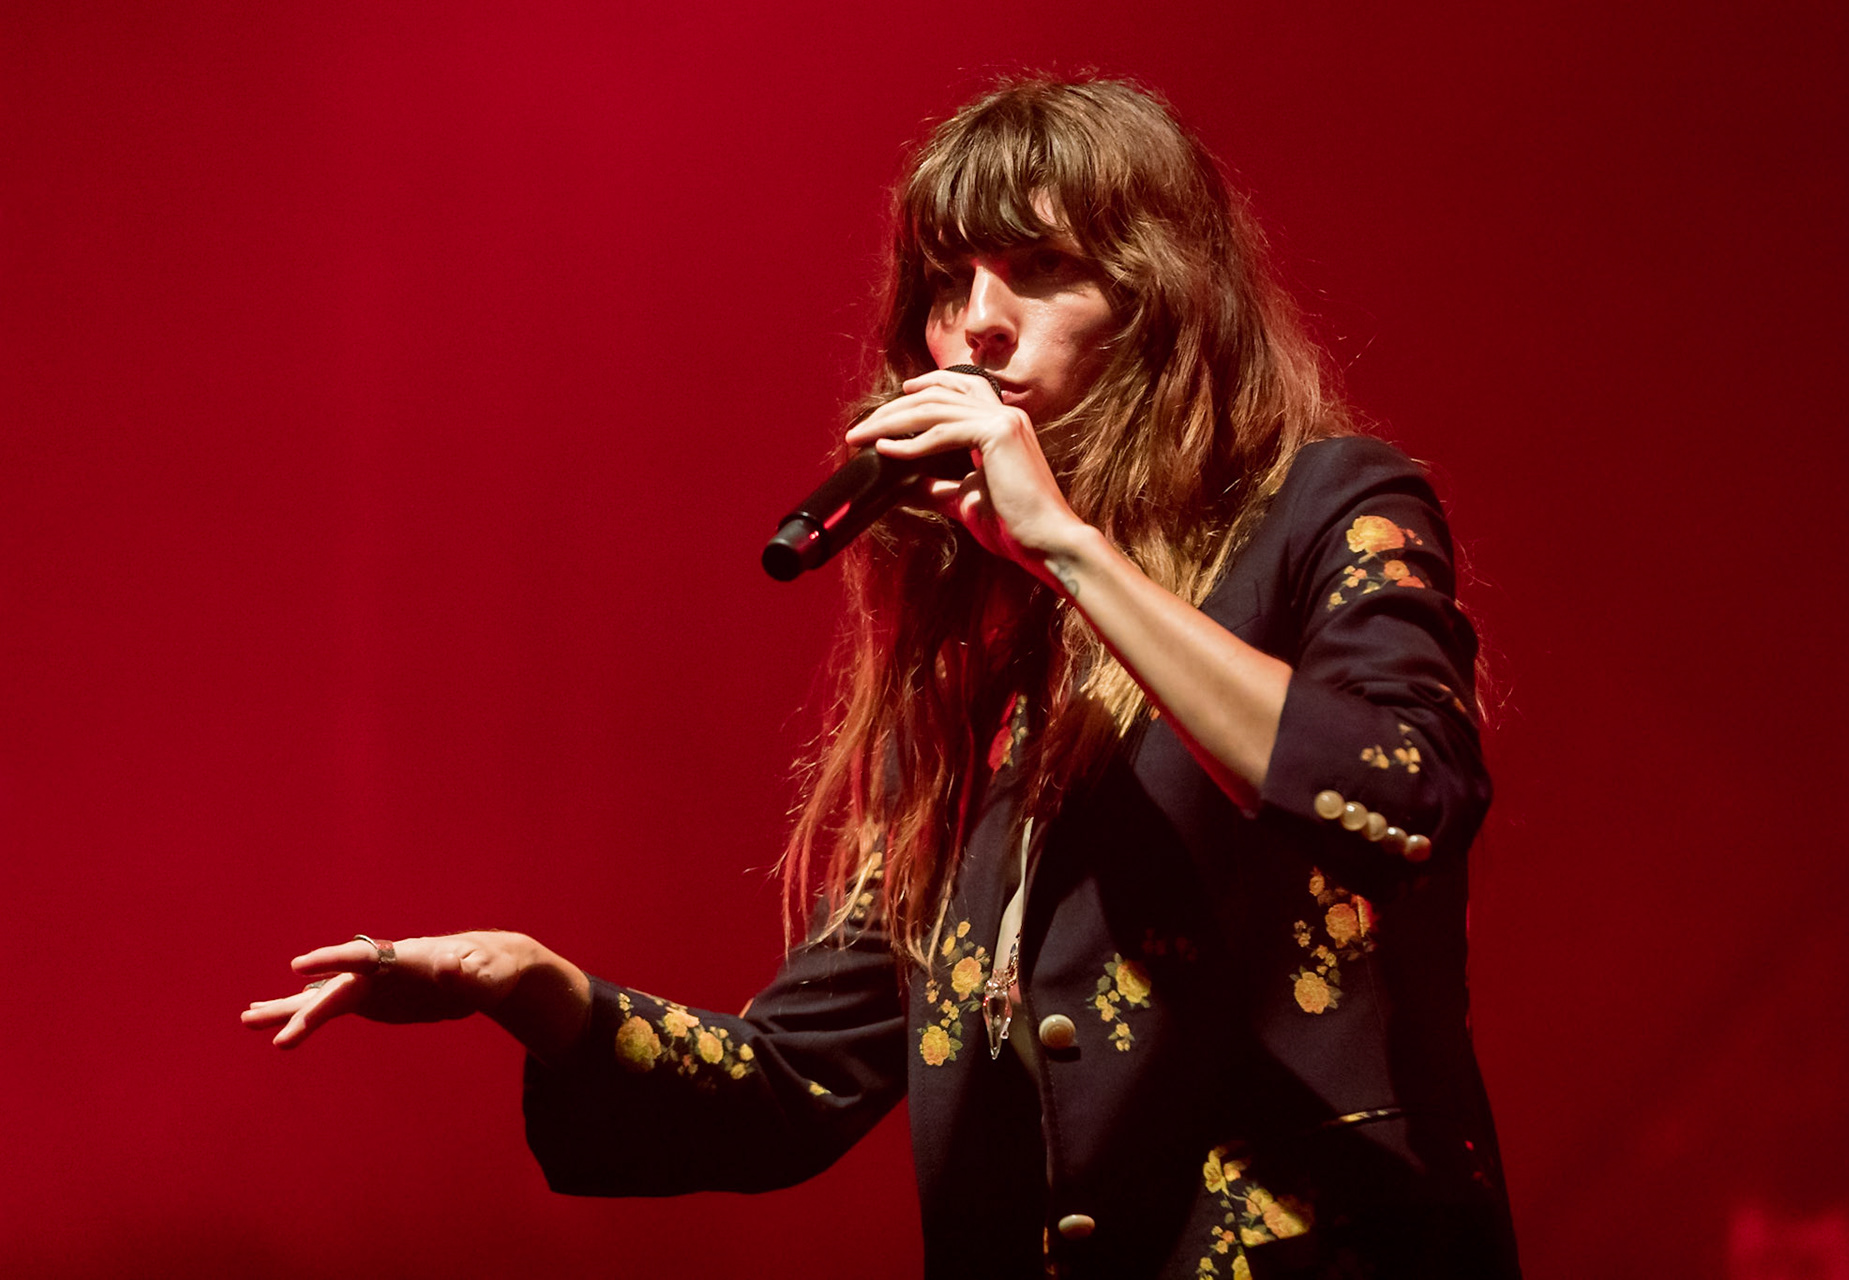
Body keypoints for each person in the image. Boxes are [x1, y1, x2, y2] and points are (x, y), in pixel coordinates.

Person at [244, 77, 1522, 1278]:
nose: (976, 322)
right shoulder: (977, 684)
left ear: (1162, 301)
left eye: (1040, 270)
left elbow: (1401, 786)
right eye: (945, 283)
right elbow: (790, 1085)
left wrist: (1071, 545)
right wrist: (541, 989)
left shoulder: (1325, 509)